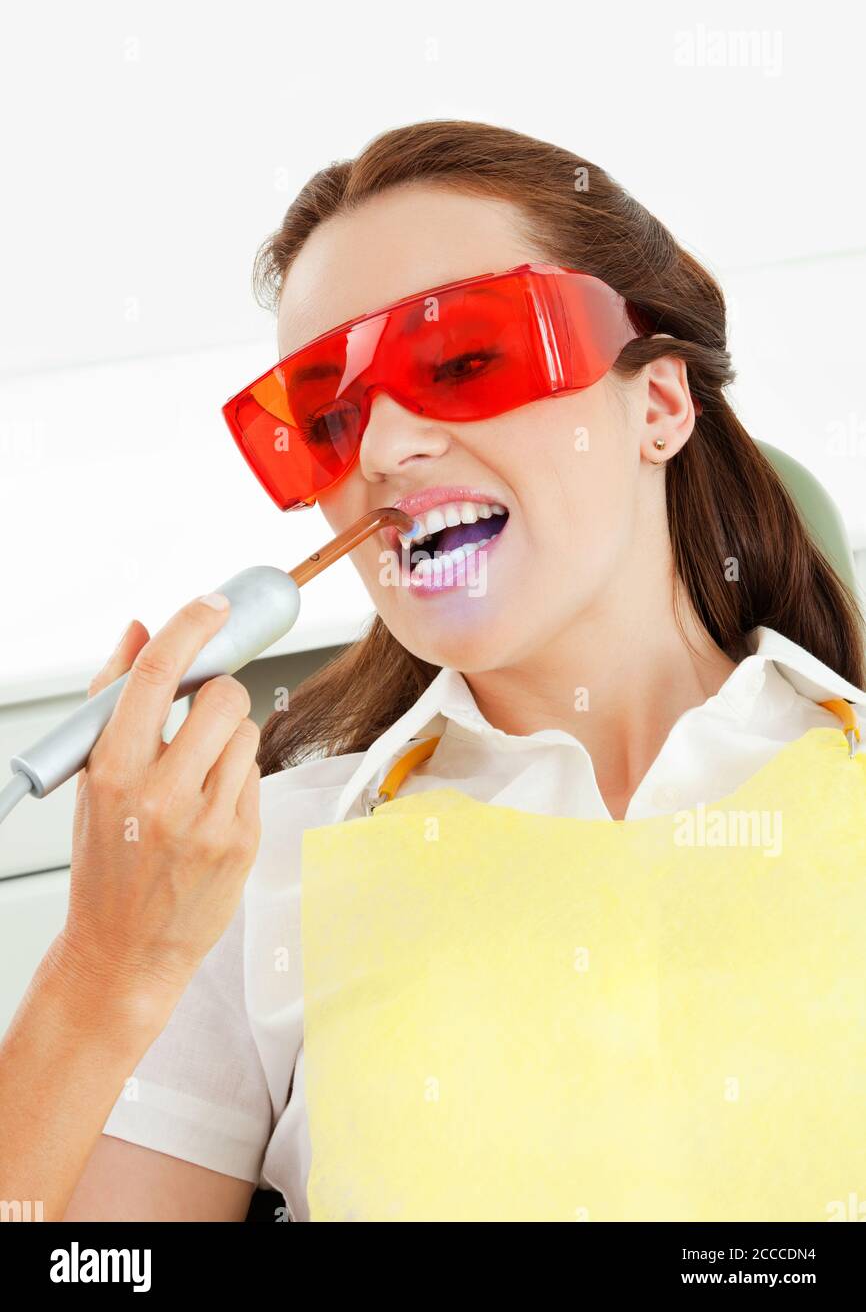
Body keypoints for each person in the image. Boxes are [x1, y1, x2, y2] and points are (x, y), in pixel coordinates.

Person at [2, 119, 864, 1221]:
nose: (380, 452)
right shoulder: (246, 880)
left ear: (656, 402)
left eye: (463, 360)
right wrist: (101, 970)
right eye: (327, 417)